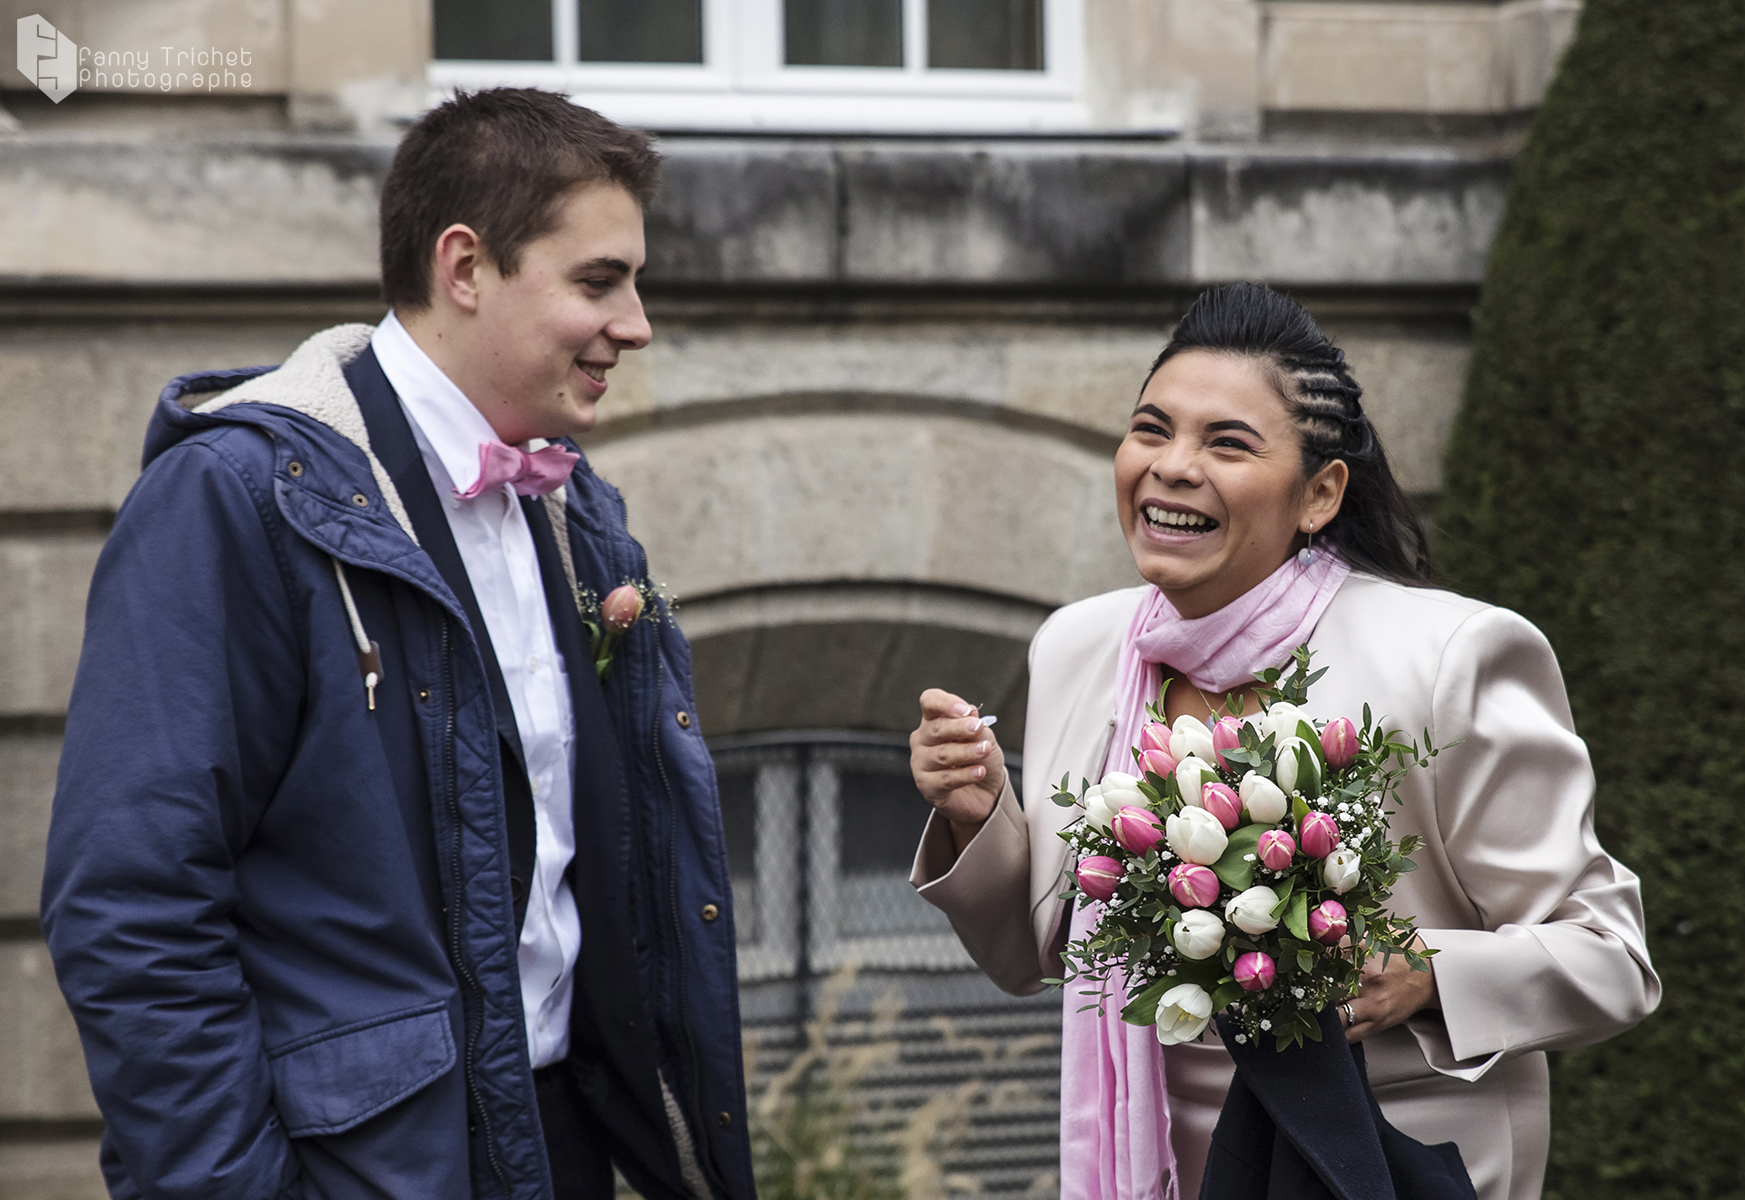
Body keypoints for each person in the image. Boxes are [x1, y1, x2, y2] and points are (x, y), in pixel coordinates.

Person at [40, 88, 753, 1200]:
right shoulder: (232, 502)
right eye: (599, 282)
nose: (638, 323)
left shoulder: (578, 515)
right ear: (464, 268)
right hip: (360, 1169)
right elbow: (132, 910)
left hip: (568, 1147)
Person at [906, 283, 1659, 1200]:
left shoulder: (1450, 656)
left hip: (1383, 1166)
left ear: (1319, 494)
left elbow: (1612, 960)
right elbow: (1038, 959)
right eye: (1152, 429)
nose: (1173, 467)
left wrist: (1424, 974)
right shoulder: (1080, 647)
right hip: (1155, 1173)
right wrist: (978, 815)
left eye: (1227, 443)